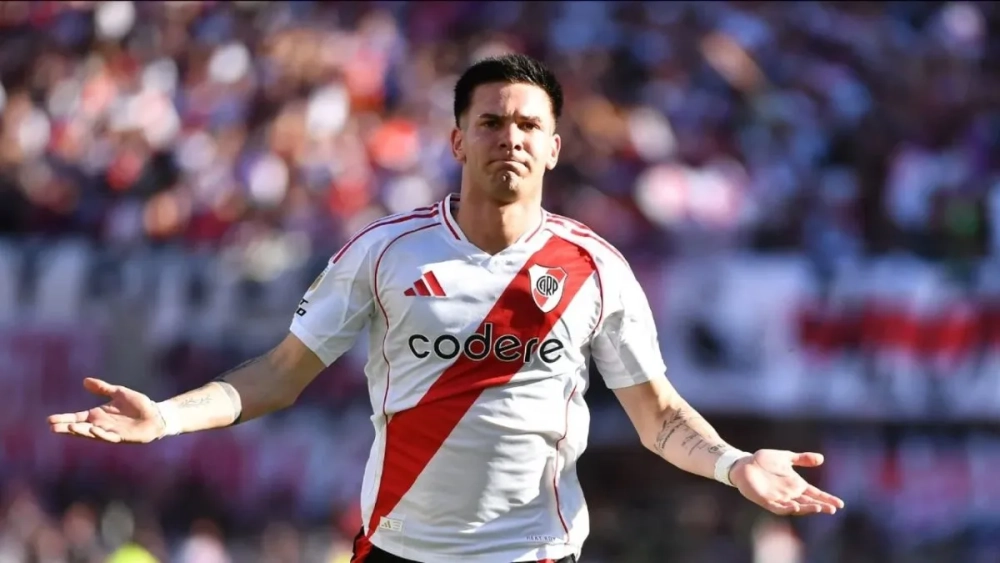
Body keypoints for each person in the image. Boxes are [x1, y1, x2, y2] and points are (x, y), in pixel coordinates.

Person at [48, 53, 845, 563]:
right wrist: (167, 417)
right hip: (397, 550)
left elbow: (657, 415)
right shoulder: (385, 252)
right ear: (458, 140)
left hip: (536, 554)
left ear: (556, 145)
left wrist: (735, 462)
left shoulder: (597, 267)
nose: (512, 137)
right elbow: (279, 376)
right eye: (491, 121)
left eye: (530, 123)